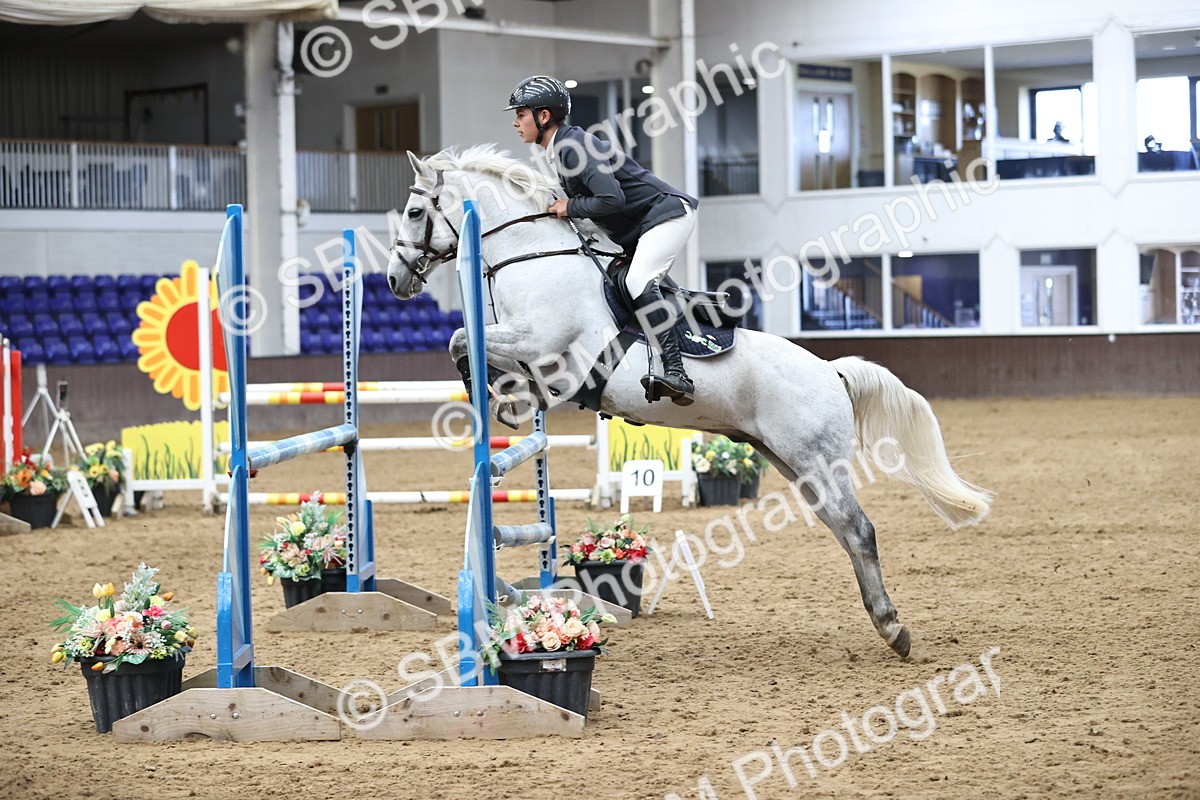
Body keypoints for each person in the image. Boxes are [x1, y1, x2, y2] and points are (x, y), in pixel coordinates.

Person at [506, 75, 699, 406]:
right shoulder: (560, 149)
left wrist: (570, 206)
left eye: (521, 114)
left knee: (639, 280)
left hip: (668, 214)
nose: (515, 122)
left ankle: (678, 374)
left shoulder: (573, 147)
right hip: (645, 225)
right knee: (622, 279)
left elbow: (612, 199)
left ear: (544, 116)